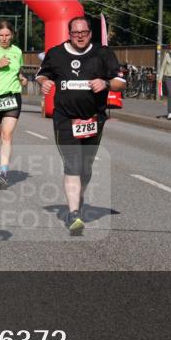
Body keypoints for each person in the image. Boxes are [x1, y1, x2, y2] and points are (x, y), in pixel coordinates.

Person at [35, 16, 126, 235]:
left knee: (85, 167)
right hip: (65, 118)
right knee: (73, 164)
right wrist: (45, 82)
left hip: (94, 119)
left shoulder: (103, 53)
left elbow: (121, 83)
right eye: (75, 33)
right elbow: (41, 74)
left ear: (90, 33)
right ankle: (74, 213)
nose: (80, 37)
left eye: (84, 33)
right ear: (69, 33)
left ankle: (78, 198)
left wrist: (105, 83)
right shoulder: (56, 53)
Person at [0, 20, 28, 188]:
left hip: (12, 97)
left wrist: (22, 79)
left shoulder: (17, 51)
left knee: (7, 135)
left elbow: (19, 71)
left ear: (12, 35)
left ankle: (3, 172)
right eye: (1, 35)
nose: (4, 38)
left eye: (7, 35)